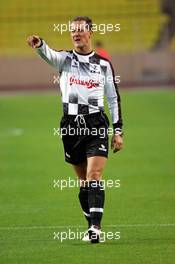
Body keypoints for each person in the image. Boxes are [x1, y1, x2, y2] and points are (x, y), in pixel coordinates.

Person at [27, 16, 123, 243]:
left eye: (80, 30)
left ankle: (96, 229)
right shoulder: (64, 59)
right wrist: (40, 45)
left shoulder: (103, 65)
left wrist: (118, 130)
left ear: (90, 33)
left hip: (96, 123)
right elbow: (48, 54)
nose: (76, 34)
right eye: (73, 31)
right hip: (71, 126)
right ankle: (90, 225)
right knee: (83, 182)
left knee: (94, 175)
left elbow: (113, 98)